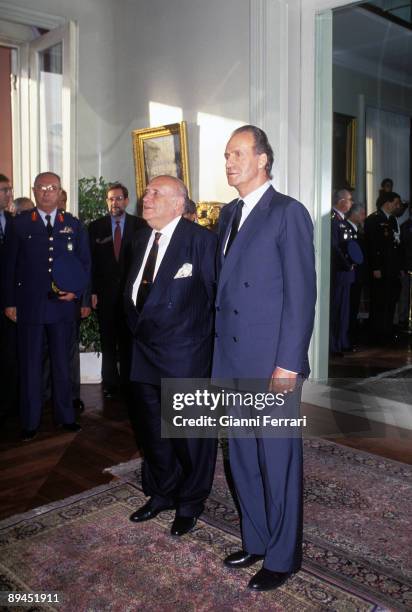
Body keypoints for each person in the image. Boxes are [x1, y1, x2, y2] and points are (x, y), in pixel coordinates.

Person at [212, 126, 316, 591]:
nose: (229, 161)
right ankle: (255, 538)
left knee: (277, 461)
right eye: (227, 155)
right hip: (231, 359)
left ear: (263, 159)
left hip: (273, 363)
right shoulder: (228, 214)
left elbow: (302, 296)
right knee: (241, 459)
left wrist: (289, 364)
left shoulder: (287, 213)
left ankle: (282, 554)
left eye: (237, 153)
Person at [124, 175, 217, 537]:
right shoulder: (139, 240)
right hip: (144, 353)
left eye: (155, 193)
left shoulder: (201, 242)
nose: (145, 197)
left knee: (190, 437)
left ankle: (191, 502)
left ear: (179, 204)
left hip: (186, 357)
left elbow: (215, 301)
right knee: (153, 434)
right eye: (146, 191)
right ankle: (162, 492)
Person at [3, 171, 91, 440]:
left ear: (59, 191)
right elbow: (8, 268)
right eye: (41, 187)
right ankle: (30, 422)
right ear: (34, 191)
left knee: (62, 365)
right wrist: (9, 303)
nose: (46, 192)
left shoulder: (73, 225)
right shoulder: (20, 225)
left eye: (52, 187)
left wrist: (80, 296)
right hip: (29, 307)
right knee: (30, 365)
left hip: (63, 307)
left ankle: (66, 417)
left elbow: (84, 264)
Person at [89, 182, 146, 398]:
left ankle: (129, 383)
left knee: (128, 341)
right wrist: (92, 292)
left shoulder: (140, 225)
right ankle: (110, 384)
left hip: (131, 296)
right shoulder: (96, 227)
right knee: (108, 340)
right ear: (107, 201)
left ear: (127, 201)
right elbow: (91, 264)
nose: (115, 202)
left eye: (119, 198)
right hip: (104, 295)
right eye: (111, 198)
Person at [364, 191, 403, 344]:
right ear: (387, 203)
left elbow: (396, 245)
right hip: (380, 269)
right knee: (379, 301)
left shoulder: (392, 220)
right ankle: (376, 333)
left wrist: (399, 267)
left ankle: (387, 331)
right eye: (396, 203)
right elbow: (373, 247)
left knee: (391, 300)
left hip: (392, 269)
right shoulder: (373, 220)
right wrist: (376, 267)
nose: (398, 206)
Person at [330, 189, 362, 356]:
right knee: (336, 310)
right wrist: (347, 264)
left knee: (344, 310)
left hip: (347, 272)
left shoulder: (341, 221)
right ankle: (334, 345)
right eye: (349, 199)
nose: (351, 203)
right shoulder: (333, 220)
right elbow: (335, 248)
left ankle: (342, 341)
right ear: (341, 201)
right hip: (340, 272)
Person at [0, 174, 18, 424]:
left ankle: (8, 408)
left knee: (9, 356)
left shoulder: (14, 222)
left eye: (10, 189)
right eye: (4, 190)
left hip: (11, 302)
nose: (9, 194)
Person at [346, 203, 367, 347]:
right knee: (348, 308)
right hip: (349, 275)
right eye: (362, 214)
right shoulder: (345, 228)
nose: (364, 217)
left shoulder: (359, 230)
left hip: (358, 276)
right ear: (354, 213)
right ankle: (346, 338)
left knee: (353, 307)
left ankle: (351, 337)